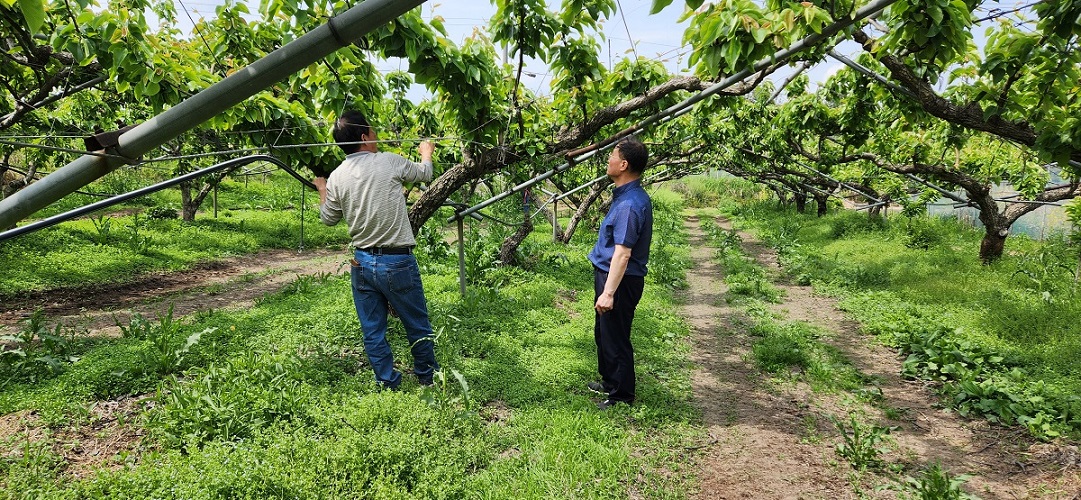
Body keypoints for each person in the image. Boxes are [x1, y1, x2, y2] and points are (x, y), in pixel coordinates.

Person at [313, 110, 439, 390]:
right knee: (416, 322)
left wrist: (322, 189)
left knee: (372, 328)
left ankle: (386, 381)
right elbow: (425, 173)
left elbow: (328, 218)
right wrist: (426, 152)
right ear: (364, 136)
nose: (376, 135)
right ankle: (427, 377)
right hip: (396, 261)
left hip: (361, 262)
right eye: (372, 130)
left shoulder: (337, 176)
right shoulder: (388, 161)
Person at [586, 136, 652, 410]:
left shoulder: (629, 205)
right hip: (611, 275)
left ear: (623, 165)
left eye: (612, 156)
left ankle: (622, 395)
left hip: (620, 280)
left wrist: (609, 293)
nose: (608, 160)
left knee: (615, 337)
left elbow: (623, 253)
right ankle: (610, 381)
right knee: (604, 333)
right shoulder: (626, 197)